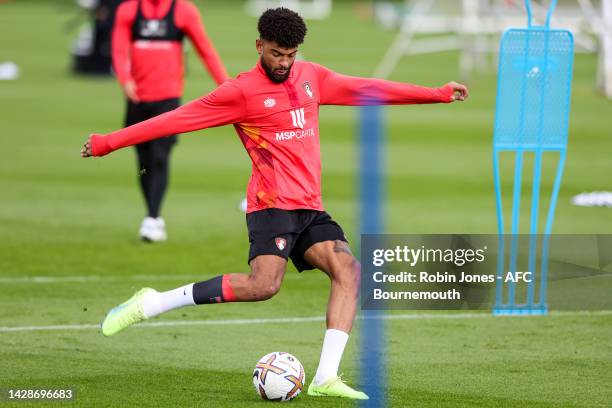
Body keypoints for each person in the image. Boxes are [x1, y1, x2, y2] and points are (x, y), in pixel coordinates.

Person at [81, 7, 468, 400]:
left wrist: (435, 94)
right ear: (259, 45)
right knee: (264, 286)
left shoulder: (312, 77)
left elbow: (364, 89)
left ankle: (325, 378)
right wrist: (108, 142)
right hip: (272, 205)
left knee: (349, 271)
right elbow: (175, 120)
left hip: (310, 205)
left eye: (290, 55)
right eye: (276, 54)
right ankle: (153, 302)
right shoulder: (239, 92)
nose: (284, 63)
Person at [112, 0, 228, 241]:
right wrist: (125, 80)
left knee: (159, 156)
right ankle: (152, 215)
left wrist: (226, 86)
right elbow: (118, 48)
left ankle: (153, 218)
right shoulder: (129, 10)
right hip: (137, 100)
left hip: (168, 101)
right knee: (143, 162)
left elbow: (205, 49)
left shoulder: (184, 11)